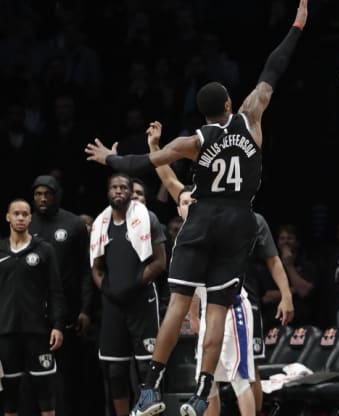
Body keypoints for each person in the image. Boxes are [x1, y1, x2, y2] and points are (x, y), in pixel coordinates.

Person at [85, 0, 308, 415]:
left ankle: (150, 388)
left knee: (181, 304)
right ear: (228, 105)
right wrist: (297, 25)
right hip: (241, 218)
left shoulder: (194, 141)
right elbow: (273, 69)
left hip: (203, 216)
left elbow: (146, 162)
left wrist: (108, 159)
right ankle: (200, 390)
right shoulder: (252, 117)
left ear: (202, 113)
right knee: (219, 310)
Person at [147, 120, 295, 416]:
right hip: (204, 304)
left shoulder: (227, 208)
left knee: (242, 375)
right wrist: (153, 147)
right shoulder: (188, 202)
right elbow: (166, 174)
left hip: (231, 301)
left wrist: (286, 294)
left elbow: (272, 259)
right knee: (208, 379)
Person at [90, 174, 167, 416]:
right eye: (114, 187)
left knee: (147, 367)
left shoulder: (147, 218)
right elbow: (96, 267)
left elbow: (160, 262)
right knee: (115, 371)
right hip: (113, 303)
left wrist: (133, 285)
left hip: (141, 299)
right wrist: (107, 289)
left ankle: (150, 411)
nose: (119, 191)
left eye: (123, 187)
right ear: (108, 192)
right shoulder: (100, 223)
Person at [30, 175, 97, 416]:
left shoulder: (74, 224)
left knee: (65, 377)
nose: (43, 198)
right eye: (38, 194)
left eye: (47, 193)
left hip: (68, 313)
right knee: (33, 376)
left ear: (57, 194)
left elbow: (85, 271)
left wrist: (85, 309)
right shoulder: (26, 223)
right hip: (32, 313)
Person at [0, 199, 66, 416]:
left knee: (45, 391)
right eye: (16, 213)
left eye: (25, 214)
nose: (20, 218)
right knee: (9, 392)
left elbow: (55, 290)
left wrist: (57, 325)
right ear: (8, 217)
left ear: (30, 218)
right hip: (6, 331)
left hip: (38, 331)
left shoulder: (44, 249)